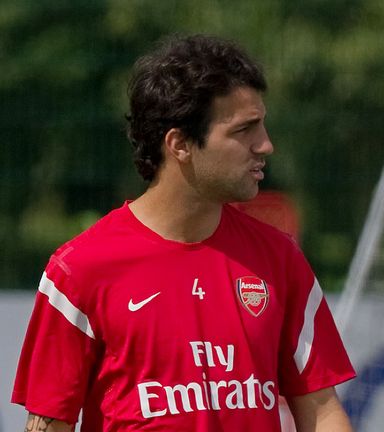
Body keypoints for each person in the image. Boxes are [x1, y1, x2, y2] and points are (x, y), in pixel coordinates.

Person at [12, 34, 356, 431]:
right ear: (179, 144)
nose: (266, 145)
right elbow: (48, 424)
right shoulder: (79, 270)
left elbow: (322, 410)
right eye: (245, 130)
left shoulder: (279, 258)